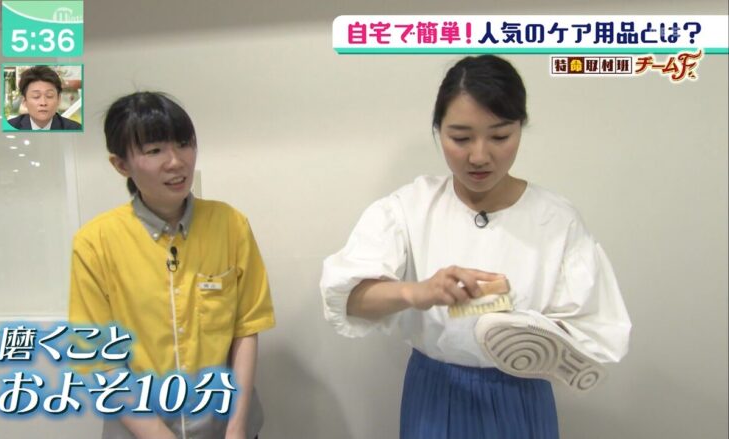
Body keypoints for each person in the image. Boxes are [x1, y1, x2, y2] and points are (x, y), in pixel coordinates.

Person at [320, 55, 631, 439]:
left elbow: (594, 330)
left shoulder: (556, 220)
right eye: (461, 138)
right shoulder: (409, 208)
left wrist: (531, 331)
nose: (479, 156)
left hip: (522, 397)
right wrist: (418, 292)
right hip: (435, 395)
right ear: (438, 131)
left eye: (500, 137)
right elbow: (349, 299)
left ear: (520, 128)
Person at [69, 91, 274, 439]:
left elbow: (246, 328)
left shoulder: (230, 225)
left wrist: (237, 428)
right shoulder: (95, 242)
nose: (176, 161)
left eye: (183, 144)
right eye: (154, 151)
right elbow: (100, 359)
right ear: (121, 165)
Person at [7, 65, 82, 130]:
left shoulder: (76, 129)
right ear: (24, 101)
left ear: (59, 99)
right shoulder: (9, 127)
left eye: (49, 96)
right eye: (36, 96)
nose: (43, 103)